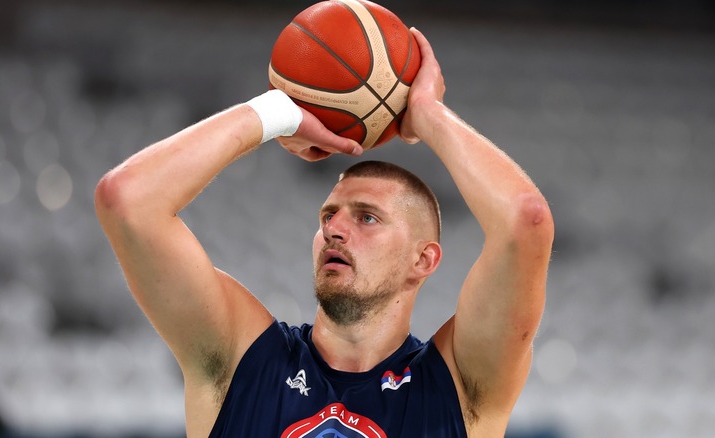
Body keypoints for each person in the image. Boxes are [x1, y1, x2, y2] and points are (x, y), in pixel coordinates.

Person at [95, 28, 553, 437]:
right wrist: (272, 113)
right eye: (328, 216)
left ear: (424, 260)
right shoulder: (241, 357)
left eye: (366, 217)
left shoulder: (459, 383)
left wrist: (428, 114)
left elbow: (525, 222)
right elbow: (128, 200)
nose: (334, 229)